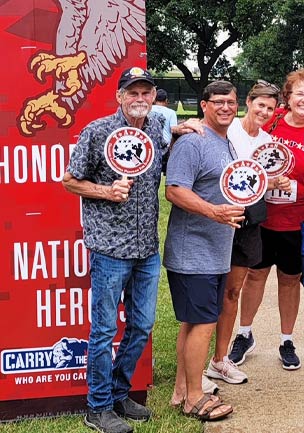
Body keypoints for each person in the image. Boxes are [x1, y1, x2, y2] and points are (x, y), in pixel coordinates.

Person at [63, 67, 165, 433]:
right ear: (119, 96)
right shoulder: (97, 131)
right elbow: (70, 180)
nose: (140, 98)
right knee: (104, 330)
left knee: (142, 325)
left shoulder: (157, 131)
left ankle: (120, 392)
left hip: (146, 247)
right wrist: (107, 191)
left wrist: (186, 129)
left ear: (153, 97)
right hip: (109, 247)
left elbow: (170, 168)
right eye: (132, 92)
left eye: (146, 92)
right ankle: (98, 406)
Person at [232, 70, 304, 371]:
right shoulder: (273, 121)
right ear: (288, 98)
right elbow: (242, 137)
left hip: (299, 221)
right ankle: (244, 334)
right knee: (255, 276)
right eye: (299, 93)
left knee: (290, 281)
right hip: (262, 218)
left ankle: (287, 340)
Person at [164, 80, 245, 421]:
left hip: (215, 251)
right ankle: (194, 398)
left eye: (231, 101)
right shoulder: (193, 142)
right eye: (218, 101)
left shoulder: (225, 144)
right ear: (204, 105)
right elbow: (174, 190)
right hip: (192, 251)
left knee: (192, 323)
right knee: (204, 323)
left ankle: (181, 390)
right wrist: (214, 212)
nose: (225, 107)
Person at [204, 80, 287, 381]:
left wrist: (274, 183)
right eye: (260, 104)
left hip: (248, 220)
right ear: (248, 103)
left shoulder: (268, 144)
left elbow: (257, 183)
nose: (264, 111)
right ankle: (198, 357)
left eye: (270, 107)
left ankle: (220, 358)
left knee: (232, 291)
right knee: (208, 290)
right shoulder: (227, 130)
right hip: (216, 217)